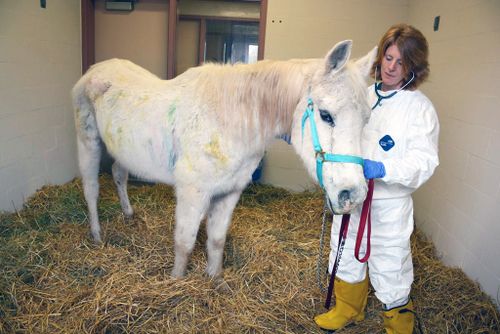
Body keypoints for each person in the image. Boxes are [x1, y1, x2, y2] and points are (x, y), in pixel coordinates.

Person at [314, 23, 439, 333]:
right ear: (381, 56)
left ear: (413, 66)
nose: (391, 67)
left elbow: (424, 162)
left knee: (390, 265)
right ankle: (347, 309)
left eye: (401, 62)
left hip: (388, 207)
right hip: (353, 198)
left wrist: (383, 169)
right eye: (388, 57)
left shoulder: (419, 108)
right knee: (345, 255)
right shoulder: (363, 94)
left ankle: (398, 324)